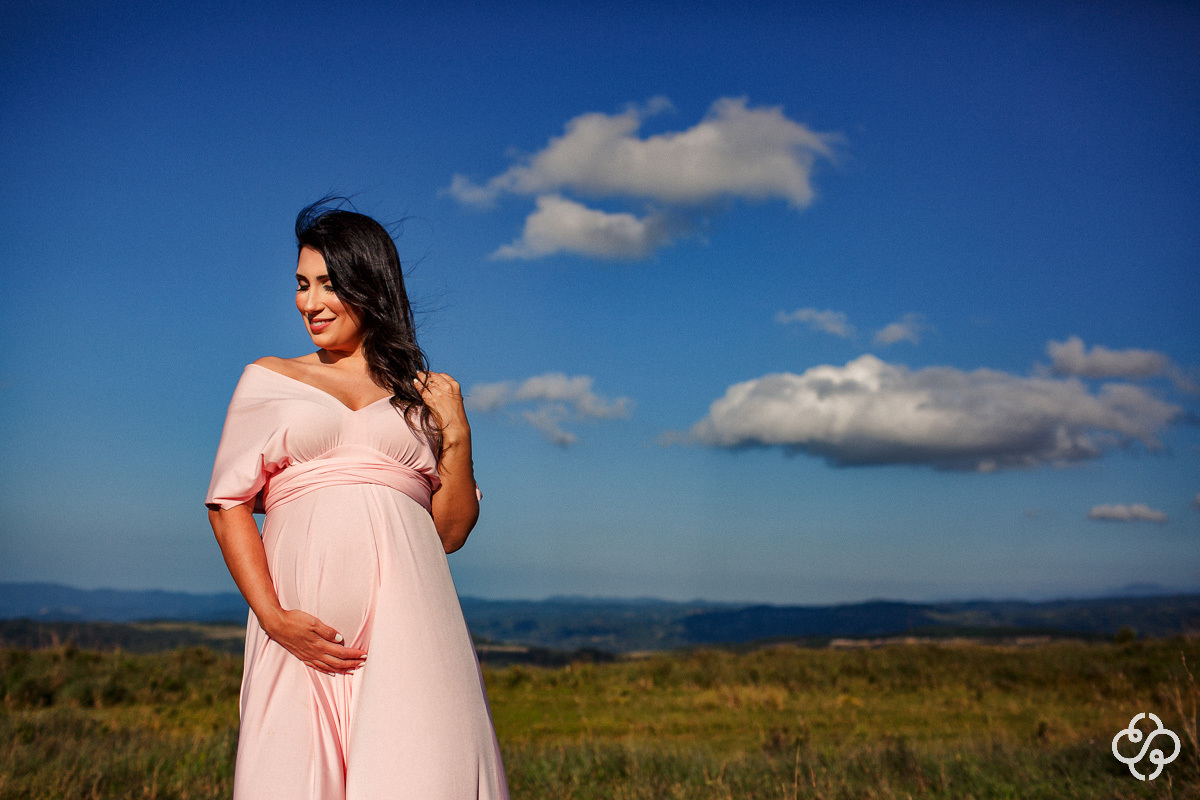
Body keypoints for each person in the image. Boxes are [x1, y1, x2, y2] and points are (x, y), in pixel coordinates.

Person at [205, 200, 509, 799]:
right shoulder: (268, 380)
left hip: (413, 625)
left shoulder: (423, 395)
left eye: (327, 284)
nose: (308, 303)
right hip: (300, 632)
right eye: (301, 285)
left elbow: (449, 532)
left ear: (369, 285)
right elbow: (227, 503)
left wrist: (458, 433)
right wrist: (272, 618)